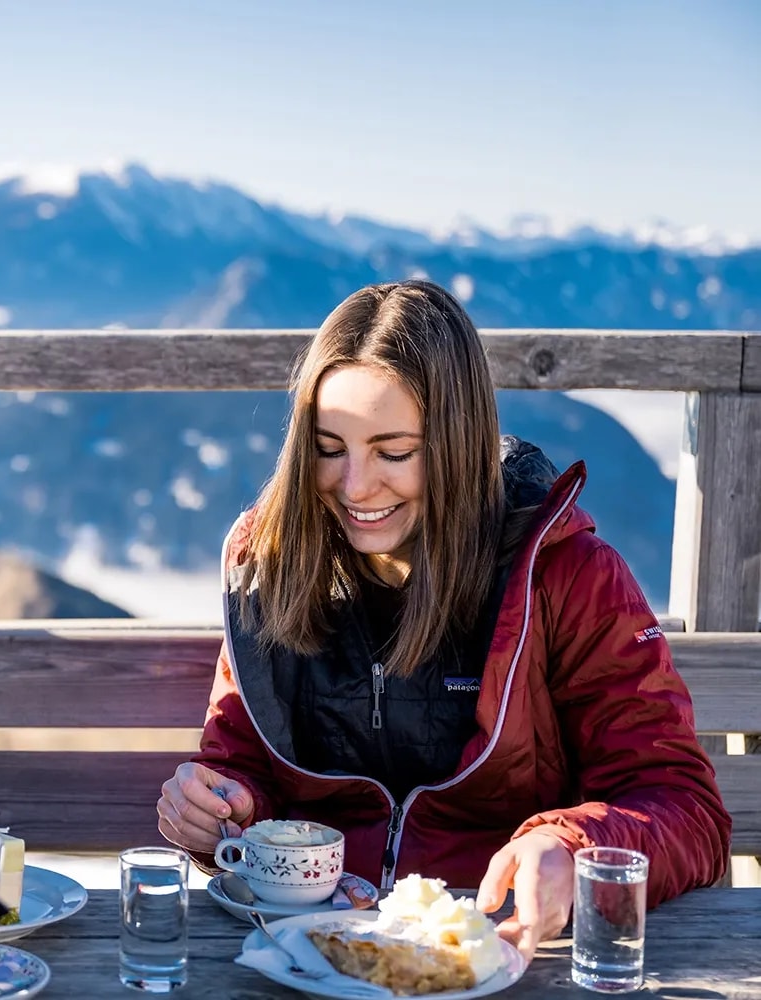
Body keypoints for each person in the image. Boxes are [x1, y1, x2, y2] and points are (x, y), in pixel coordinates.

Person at [155, 279, 731, 963]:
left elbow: (684, 807)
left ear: (456, 442)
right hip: (309, 955)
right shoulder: (271, 567)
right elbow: (243, 766)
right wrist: (217, 806)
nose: (354, 486)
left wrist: (570, 847)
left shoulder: (566, 576)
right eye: (328, 447)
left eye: (394, 452)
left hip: (499, 952)